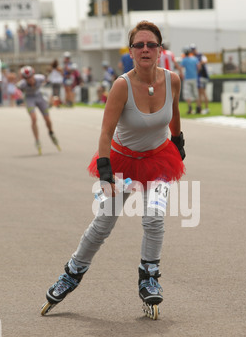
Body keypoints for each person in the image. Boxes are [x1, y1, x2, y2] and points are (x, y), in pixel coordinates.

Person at [41, 20, 186, 318]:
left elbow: (174, 113)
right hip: (122, 161)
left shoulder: (172, 80)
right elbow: (106, 132)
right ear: (131, 51)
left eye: (151, 44)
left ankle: (149, 276)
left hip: (158, 159)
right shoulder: (122, 85)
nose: (145, 50)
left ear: (159, 49)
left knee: (154, 218)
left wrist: (178, 139)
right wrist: (105, 170)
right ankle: (72, 272)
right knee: (104, 221)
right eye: (139, 45)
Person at [16, 66, 61, 155]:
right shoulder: (22, 84)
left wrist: (51, 98)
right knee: (34, 119)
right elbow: (17, 90)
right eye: (27, 78)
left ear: (34, 75)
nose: (30, 80)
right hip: (29, 98)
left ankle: (51, 132)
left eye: (31, 77)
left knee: (47, 119)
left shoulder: (40, 78)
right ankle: (37, 140)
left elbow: (50, 84)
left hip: (39, 96)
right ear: (24, 78)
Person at [180, 47, 201, 114]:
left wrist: (182, 75)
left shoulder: (184, 60)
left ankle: (190, 108)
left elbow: (181, 68)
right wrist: (196, 73)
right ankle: (198, 107)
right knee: (195, 93)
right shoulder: (194, 59)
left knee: (187, 93)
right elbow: (199, 66)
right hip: (194, 78)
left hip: (187, 78)